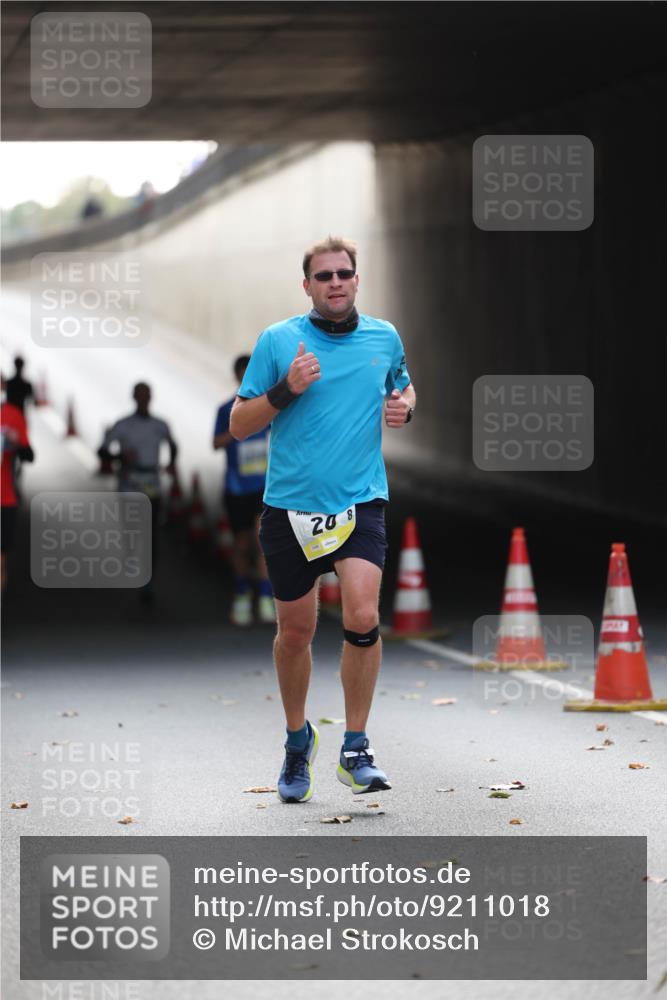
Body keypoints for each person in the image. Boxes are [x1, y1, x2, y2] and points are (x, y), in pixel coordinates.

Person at [230, 236, 416, 803]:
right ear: (307, 285)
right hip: (289, 507)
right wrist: (287, 390)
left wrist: (406, 405)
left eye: (344, 274)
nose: (336, 283)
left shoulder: (383, 338)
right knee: (296, 633)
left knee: (362, 614)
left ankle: (356, 746)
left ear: (357, 280)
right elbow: (240, 424)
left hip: (360, 501)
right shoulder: (279, 340)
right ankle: (296, 741)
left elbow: (403, 384)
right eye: (324, 276)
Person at [98, 383, 177, 602]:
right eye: (140, 395)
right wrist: (119, 458)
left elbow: (173, 445)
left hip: (152, 483)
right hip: (129, 484)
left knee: (151, 533)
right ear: (134, 397)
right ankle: (133, 557)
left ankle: (148, 579)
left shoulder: (160, 425)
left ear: (151, 397)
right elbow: (102, 450)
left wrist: (171, 463)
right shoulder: (123, 425)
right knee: (133, 528)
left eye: (146, 395)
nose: (143, 399)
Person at [213, 355, 275, 627]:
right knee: (240, 544)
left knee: (263, 542)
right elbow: (216, 442)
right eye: (242, 375)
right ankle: (241, 593)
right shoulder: (226, 409)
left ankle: (263, 595)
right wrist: (239, 428)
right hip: (237, 488)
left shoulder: (270, 407)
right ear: (237, 377)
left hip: (264, 488)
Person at [1, 395, 35, 593]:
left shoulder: (12, 415)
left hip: (3, 498)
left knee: (1, 558)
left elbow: (29, 455)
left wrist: (17, 443)